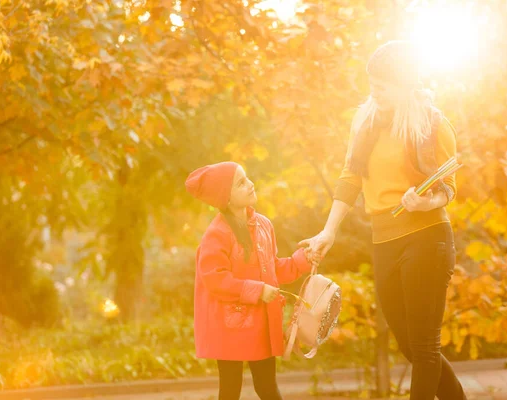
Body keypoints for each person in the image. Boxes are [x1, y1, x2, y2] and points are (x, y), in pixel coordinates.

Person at [299, 41, 466, 400]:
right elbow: (350, 177)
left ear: (406, 84)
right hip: (384, 241)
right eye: (371, 82)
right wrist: (329, 231)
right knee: (411, 347)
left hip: (426, 237)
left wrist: (425, 203)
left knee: (423, 349)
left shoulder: (433, 125)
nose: (375, 91)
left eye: (383, 84)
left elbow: (448, 188)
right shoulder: (366, 123)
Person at [185, 161, 313, 400]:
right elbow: (214, 279)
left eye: (247, 178)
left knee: (267, 388)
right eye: (241, 183)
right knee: (230, 390)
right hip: (229, 325)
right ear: (227, 198)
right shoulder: (217, 235)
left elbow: (274, 269)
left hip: (260, 324)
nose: (250, 185)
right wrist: (256, 290)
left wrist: (303, 259)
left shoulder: (264, 225)